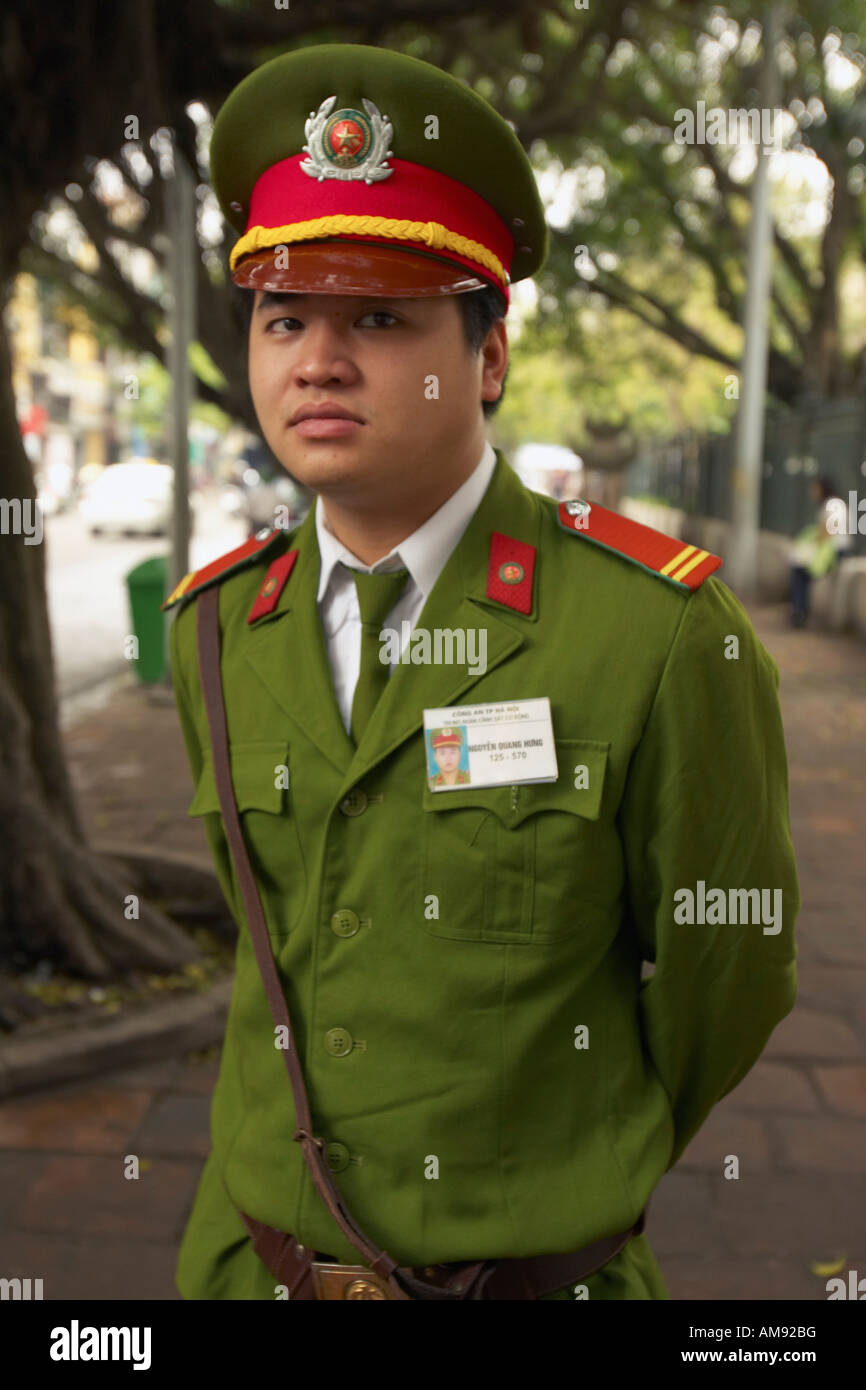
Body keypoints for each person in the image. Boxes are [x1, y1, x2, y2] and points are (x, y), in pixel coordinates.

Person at [162, 43, 799, 1301]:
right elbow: (272, 938)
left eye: (381, 320)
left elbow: (728, 969)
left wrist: (573, 1156)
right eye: (284, 316)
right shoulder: (216, 625)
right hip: (251, 1265)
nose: (317, 361)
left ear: (489, 358)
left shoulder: (660, 632)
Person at [788, 476, 852, 628]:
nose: (812, 492)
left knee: (800, 571)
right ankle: (800, 610)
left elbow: (828, 531)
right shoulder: (835, 504)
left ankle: (799, 612)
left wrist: (810, 546)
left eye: (815, 488)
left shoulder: (833, 504)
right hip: (833, 551)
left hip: (834, 553)